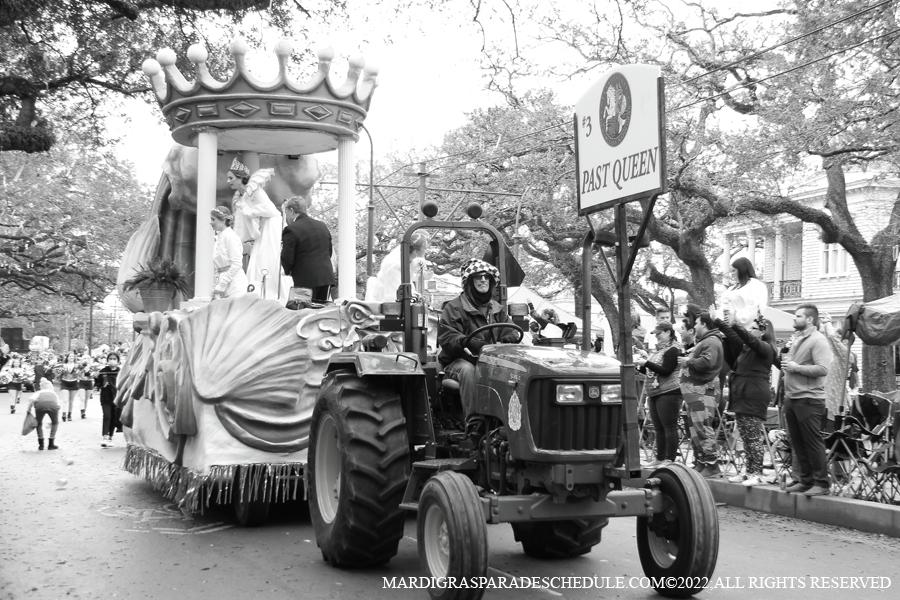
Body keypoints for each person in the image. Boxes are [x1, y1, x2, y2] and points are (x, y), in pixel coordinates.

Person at [438, 258, 520, 419]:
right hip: (461, 361)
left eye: (487, 277)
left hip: (493, 360)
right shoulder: (454, 307)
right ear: (469, 282)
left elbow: (510, 330)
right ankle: (474, 422)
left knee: (517, 372)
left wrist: (509, 338)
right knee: (470, 371)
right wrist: (467, 342)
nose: (483, 280)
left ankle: (511, 420)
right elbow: (448, 337)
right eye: (478, 276)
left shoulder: (497, 309)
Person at [711, 306, 777, 487]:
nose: (750, 331)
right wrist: (719, 322)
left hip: (753, 396)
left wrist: (737, 324)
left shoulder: (766, 348)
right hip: (742, 395)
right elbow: (734, 337)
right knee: (746, 436)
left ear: (763, 332)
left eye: (754, 328)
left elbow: (748, 338)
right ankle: (749, 471)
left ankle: (757, 473)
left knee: (753, 436)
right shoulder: (747, 350)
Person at [782, 303, 833, 496]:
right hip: (793, 397)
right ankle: (805, 480)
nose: (794, 319)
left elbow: (823, 369)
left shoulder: (818, 340)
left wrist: (796, 367)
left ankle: (821, 483)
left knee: (812, 442)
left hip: (809, 399)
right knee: (797, 441)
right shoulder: (798, 339)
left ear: (810, 319)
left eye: (798, 316)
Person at [228, 159, 290, 299]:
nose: (228, 181)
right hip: (264, 227)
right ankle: (259, 294)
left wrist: (249, 212)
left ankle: (275, 294)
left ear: (240, 178)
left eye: (231, 178)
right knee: (259, 258)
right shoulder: (244, 196)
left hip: (271, 225)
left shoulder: (254, 190)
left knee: (268, 257)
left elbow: (270, 209)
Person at [678, 311, 725, 478]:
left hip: (703, 394)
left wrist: (688, 361)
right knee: (695, 429)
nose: (694, 326)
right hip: (695, 395)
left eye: (697, 323)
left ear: (704, 324)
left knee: (703, 428)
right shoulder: (706, 341)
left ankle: (712, 465)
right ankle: (702, 461)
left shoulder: (712, 341)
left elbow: (707, 362)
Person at [636, 321, 683, 465]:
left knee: (669, 426)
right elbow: (649, 371)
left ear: (668, 332)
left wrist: (646, 363)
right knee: (659, 427)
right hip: (656, 392)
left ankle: (669, 459)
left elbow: (666, 370)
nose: (656, 337)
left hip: (669, 392)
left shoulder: (673, 350)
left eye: (659, 334)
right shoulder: (659, 350)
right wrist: (640, 365)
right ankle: (660, 458)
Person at [281, 195, 336, 303]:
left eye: (286, 213)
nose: (286, 217)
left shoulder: (291, 229)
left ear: (291, 210)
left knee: (302, 313)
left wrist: (288, 271)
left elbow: (287, 257)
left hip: (304, 280)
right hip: (325, 278)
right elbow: (328, 251)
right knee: (320, 313)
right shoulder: (322, 226)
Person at [365, 231, 430, 302]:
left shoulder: (407, 257)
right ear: (415, 252)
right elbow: (393, 295)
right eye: (425, 249)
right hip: (387, 304)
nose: (426, 252)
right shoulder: (394, 266)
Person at [210, 205, 250, 300]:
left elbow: (237, 264)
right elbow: (218, 267)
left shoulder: (230, 237)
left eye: (213, 219)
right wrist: (217, 285)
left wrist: (222, 285)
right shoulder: (219, 238)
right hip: (223, 285)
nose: (211, 222)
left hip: (234, 286)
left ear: (223, 220)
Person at [722, 257, 769, 328]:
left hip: (744, 331)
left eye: (733, 271)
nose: (732, 274)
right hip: (727, 330)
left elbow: (755, 308)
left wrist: (735, 317)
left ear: (742, 270)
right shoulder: (732, 289)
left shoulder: (756, 286)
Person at [26, 379, 61, 450]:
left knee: (38, 423)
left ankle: (41, 444)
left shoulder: (39, 392)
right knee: (55, 423)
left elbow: (31, 400)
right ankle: (51, 443)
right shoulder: (54, 394)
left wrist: (28, 409)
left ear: (41, 387)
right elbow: (58, 405)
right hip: (53, 406)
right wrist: (54, 419)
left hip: (40, 406)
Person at [96, 353, 121, 447]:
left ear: (118, 361)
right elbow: (98, 383)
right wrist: (96, 377)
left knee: (114, 417)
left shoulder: (120, 371)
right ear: (107, 360)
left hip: (117, 398)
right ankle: (105, 437)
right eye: (110, 358)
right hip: (105, 397)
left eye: (114, 358)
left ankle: (110, 437)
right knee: (107, 416)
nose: (112, 360)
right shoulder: (103, 371)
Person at [58, 351, 83, 422]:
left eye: (73, 356)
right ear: (67, 357)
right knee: (65, 400)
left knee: (71, 401)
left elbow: (80, 375)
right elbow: (58, 375)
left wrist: (79, 373)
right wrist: (60, 372)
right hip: (64, 383)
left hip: (74, 383)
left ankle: (69, 414)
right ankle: (64, 413)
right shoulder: (63, 365)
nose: (71, 357)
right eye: (70, 356)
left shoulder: (77, 365)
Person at [77, 355, 96, 419]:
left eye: (88, 358)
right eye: (85, 358)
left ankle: (84, 411)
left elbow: (94, 375)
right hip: (82, 382)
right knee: (82, 398)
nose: (86, 359)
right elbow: (77, 374)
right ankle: (82, 411)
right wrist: (82, 369)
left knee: (86, 399)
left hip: (89, 382)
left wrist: (91, 373)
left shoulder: (92, 366)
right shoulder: (80, 366)